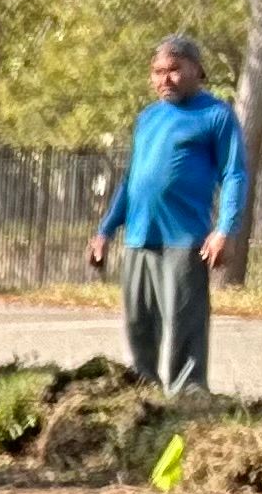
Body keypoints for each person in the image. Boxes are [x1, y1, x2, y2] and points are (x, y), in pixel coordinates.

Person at [87, 35, 248, 396]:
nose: (165, 79)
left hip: (185, 239)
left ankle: (189, 399)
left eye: (174, 70)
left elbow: (235, 174)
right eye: (158, 72)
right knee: (138, 327)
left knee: (183, 328)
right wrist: (105, 230)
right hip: (140, 238)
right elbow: (132, 181)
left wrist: (225, 229)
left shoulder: (216, 116)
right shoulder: (147, 118)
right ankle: (144, 399)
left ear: (196, 70)